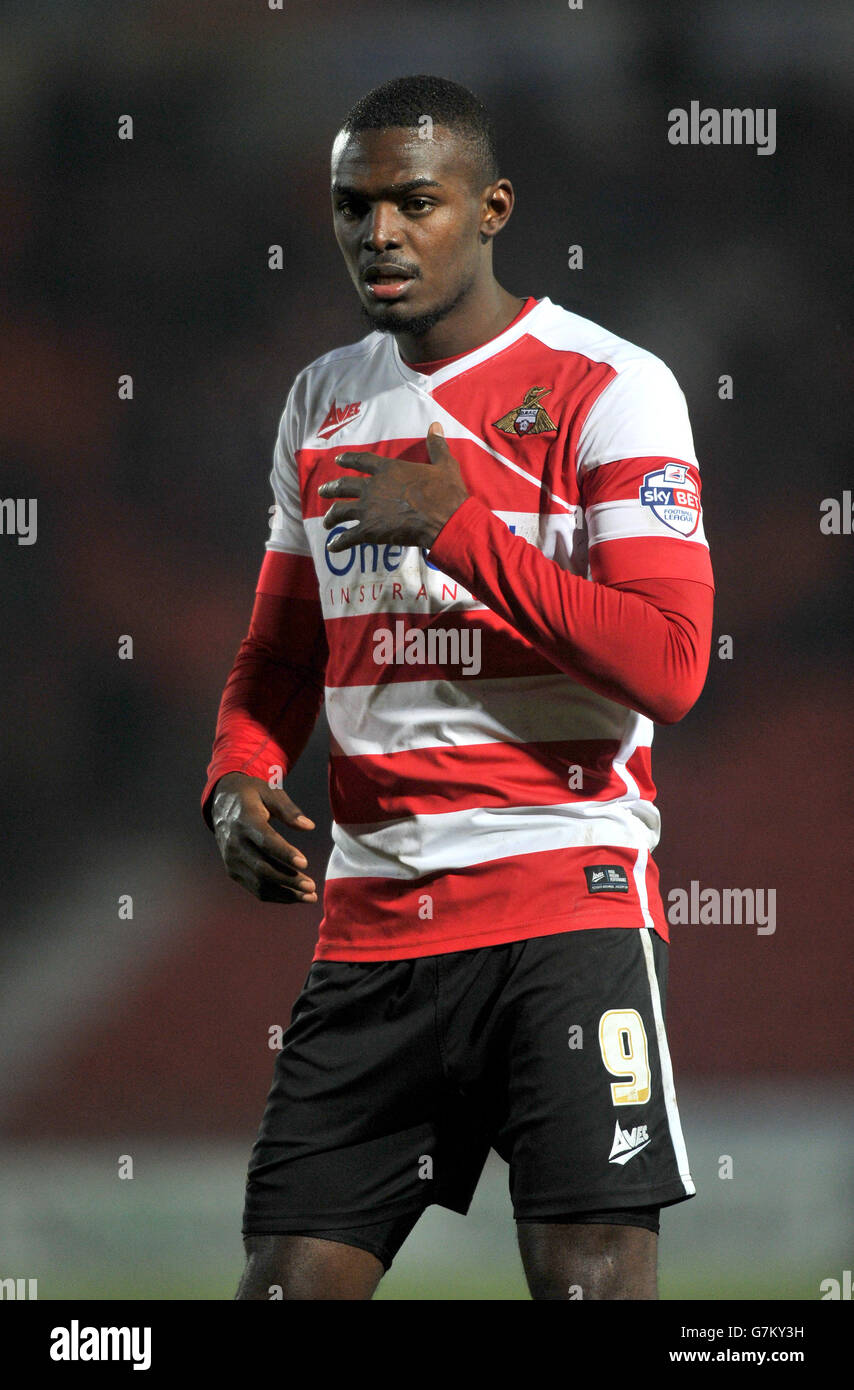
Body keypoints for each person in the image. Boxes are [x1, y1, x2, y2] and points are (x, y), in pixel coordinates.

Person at [201, 74, 714, 1301]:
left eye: (413, 203)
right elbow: (279, 654)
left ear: (489, 208)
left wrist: (460, 528)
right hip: (373, 922)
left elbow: (670, 663)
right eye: (352, 205)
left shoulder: (608, 386)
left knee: (588, 1285)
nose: (378, 233)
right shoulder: (321, 402)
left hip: (564, 903)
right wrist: (236, 772)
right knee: (281, 1285)